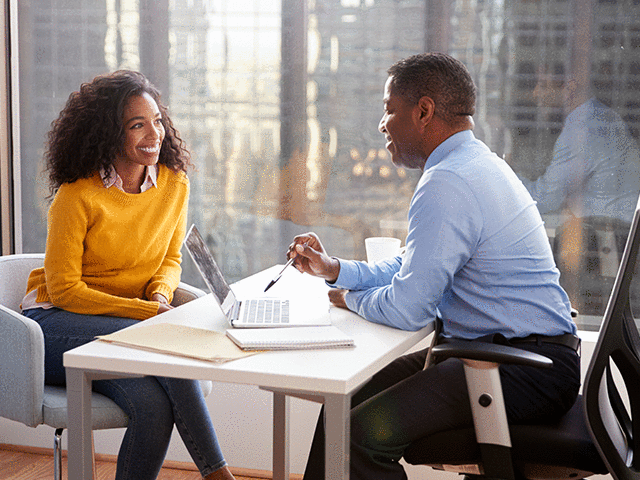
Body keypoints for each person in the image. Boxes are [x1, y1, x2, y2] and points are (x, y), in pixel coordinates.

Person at [287, 53, 580, 480]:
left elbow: (409, 309)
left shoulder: (448, 182)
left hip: (515, 369)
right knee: (344, 402)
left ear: (423, 111)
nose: (382, 124)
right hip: (510, 357)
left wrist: (351, 300)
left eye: (389, 110)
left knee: (357, 434)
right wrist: (336, 270)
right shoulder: (476, 165)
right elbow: (413, 264)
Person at [20, 70, 235, 480]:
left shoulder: (174, 184)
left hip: (129, 326)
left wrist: (158, 296)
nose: (153, 133)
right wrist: (143, 314)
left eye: (156, 120)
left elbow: (170, 259)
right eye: (137, 125)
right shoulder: (76, 195)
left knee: (153, 408)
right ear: (107, 133)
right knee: (164, 346)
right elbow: (65, 290)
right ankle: (219, 474)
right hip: (54, 327)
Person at [519, 66, 640, 315]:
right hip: (619, 238)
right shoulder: (601, 117)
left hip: (606, 241)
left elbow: (543, 199)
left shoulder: (582, 129)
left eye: (543, 84)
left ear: (570, 87)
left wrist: (505, 173)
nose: (535, 93)